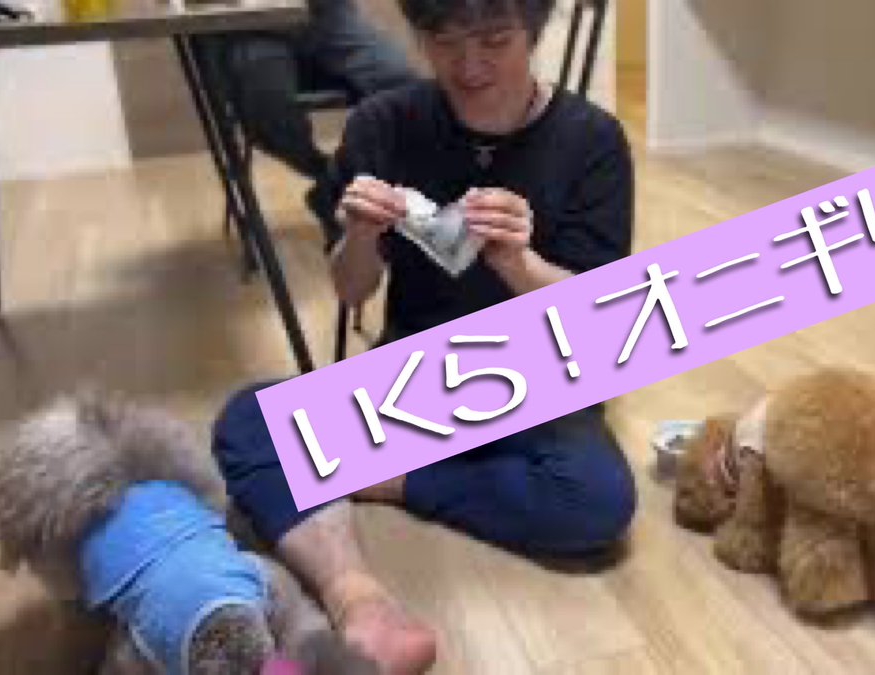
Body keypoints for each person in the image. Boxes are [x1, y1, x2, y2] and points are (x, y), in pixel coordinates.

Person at [211, 1, 636, 672]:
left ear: (533, 31)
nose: (469, 65)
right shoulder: (385, 123)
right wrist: (360, 235)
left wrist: (519, 264)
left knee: (595, 501)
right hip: (420, 376)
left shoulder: (592, 140)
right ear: (418, 35)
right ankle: (359, 601)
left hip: (539, 374)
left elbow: (600, 323)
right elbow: (352, 291)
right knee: (245, 422)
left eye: (495, 40)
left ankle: (392, 477)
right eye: (444, 40)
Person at [208, 0, 420, 179]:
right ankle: (333, 179)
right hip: (248, 28)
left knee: (401, 84)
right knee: (267, 108)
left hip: (325, 14)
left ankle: (399, 177)